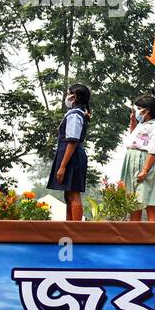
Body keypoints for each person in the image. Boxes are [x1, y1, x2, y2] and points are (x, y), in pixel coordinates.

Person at [120, 95, 155, 221]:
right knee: (134, 202)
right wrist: (133, 121)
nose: (136, 111)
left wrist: (145, 170)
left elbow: (154, 151)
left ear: (146, 111)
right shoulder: (141, 124)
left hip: (146, 163)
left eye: (139, 108)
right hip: (131, 162)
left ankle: (153, 236)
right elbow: (134, 138)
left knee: (149, 201)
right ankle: (134, 235)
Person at [47, 83, 90, 221]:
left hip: (72, 156)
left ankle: (75, 229)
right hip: (69, 154)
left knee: (73, 194)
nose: (67, 96)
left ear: (75, 97)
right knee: (68, 194)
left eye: (69, 93)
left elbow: (72, 140)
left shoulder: (75, 114)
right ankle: (69, 224)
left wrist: (63, 166)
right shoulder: (76, 113)